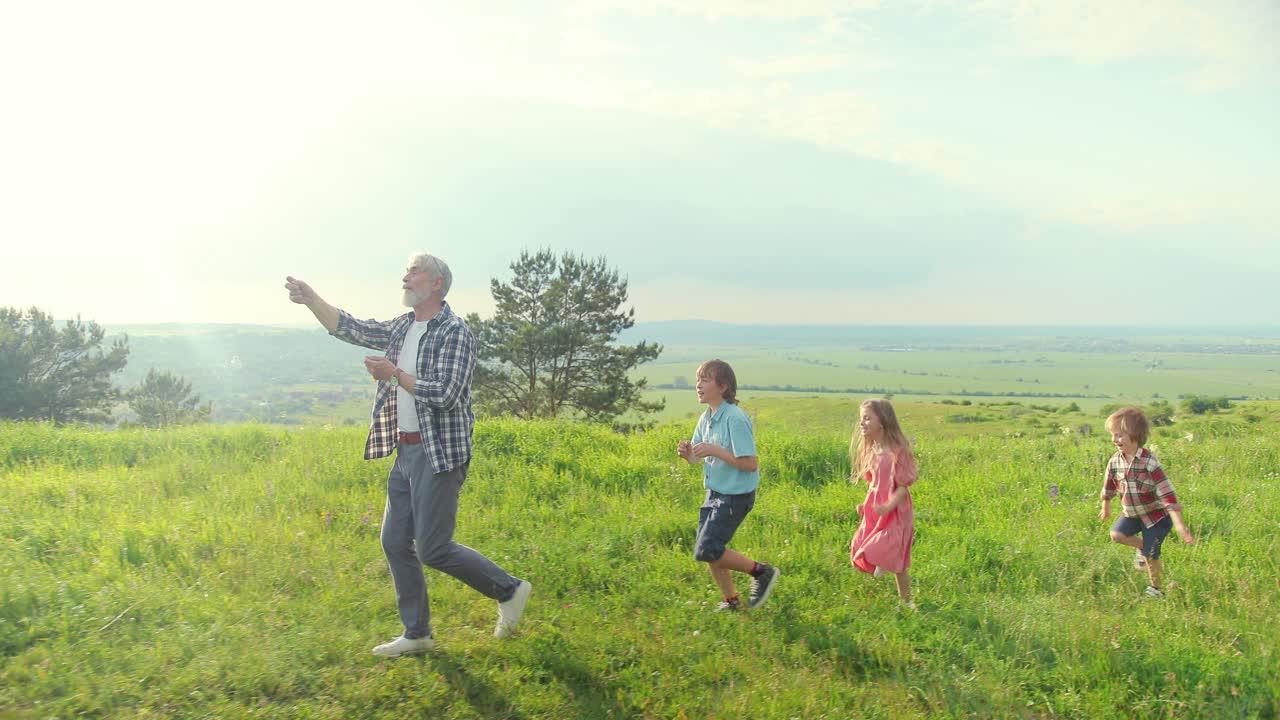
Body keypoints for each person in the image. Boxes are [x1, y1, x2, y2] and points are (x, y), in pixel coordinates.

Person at [284, 253, 531, 657]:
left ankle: (510, 589)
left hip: (438, 453)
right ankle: (417, 634)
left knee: (434, 548)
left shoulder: (455, 332)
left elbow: (448, 394)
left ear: (436, 283)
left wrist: (394, 375)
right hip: (405, 448)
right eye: (407, 271)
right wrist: (312, 298)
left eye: (414, 271)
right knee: (396, 541)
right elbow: (350, 327)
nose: (405, 277)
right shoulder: (403, 327)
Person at [676, 359, 779, 611]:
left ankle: (762, 572)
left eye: (704, 379)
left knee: (708, 549)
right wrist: (688, 455)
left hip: (736, 496)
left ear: (723, 386)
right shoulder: (707, 416)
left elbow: (750, 463)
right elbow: (697, 458)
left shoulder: (735, 418)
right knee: (708, 548)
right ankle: (732, 602)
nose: (698, 385)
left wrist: (716, 450)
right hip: (715, 492)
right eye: (697, 379)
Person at [1099, 406, 1195, 599]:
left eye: (1119, 435)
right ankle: (1142, 547)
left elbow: (1168, 494)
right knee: (1116, 534)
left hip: (1156, 517)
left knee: (1151, 554)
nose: (1114, 440)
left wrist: (1179, 525)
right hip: (1132, 513)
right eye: (1113, 435)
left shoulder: (1150, 463)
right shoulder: (1115, 461)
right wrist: (1106, 507)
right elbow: (1109, 486)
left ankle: (1156, 589)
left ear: (1134, 435)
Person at [848, 398, 917, 610]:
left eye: (867, 418)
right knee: (862, 548)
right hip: (876, 512)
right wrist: (867, 506)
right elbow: (875, 483)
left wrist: (888, 505)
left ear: (883, 421)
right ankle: (905, 601)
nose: (862, 423)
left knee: (896, 561)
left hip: (896, 512)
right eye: (861, 419)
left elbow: (903, 488)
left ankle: (905, 600)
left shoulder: (897, 452)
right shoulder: (873, 450)